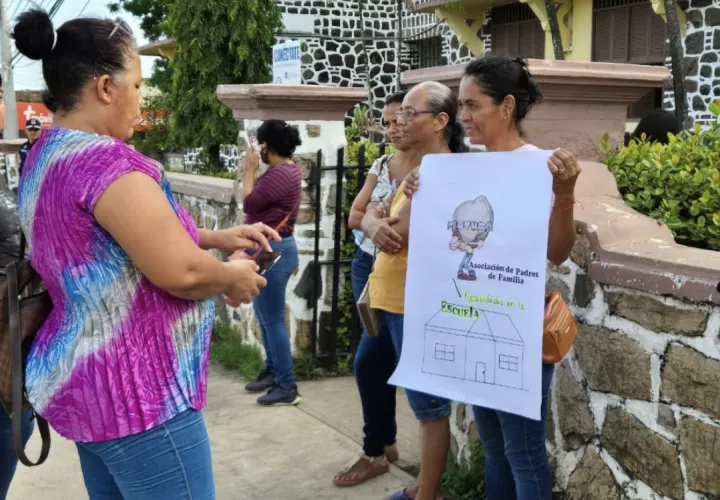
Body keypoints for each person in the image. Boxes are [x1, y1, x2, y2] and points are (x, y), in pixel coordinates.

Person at [12, 10, 277, 499]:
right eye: (137, 84)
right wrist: (230, 277)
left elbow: (110, 240)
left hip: (84, 386)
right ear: (106, 87)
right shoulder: (108, 163)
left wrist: (219, 238)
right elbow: (180, 272)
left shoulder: (45, 155)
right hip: (139, 395)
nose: (142, 98)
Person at [404, 56, 581, 500]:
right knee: (496, 449)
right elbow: (427, 240)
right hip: (471, 325)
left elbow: (557, 253)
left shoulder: (537, 167)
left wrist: (564, 195)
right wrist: (416, 198)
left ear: (506, 107)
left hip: (512, 327)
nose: (462, 117)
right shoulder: (462, 169)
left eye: (471, 105)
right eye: (460, 106)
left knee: (522, 451)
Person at [365, 81, 467, 500]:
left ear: (441, 121)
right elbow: (374, 214)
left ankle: (427, 494)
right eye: (400, 113)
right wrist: (373, 220)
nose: (401, 121)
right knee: (382, 377)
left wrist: (374, 221)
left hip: (415, 301)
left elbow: (395, 231)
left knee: (429, 407)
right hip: (391, 298)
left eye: (411, 113)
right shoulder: (418, 171)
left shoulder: (445, 172)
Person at [333, 91, 420, 487]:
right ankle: (383, 445)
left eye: (400, 118)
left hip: (405, 274)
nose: (392, 128)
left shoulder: (437, 168)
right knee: (375, 359)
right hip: (366, 266)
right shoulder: (383, 163)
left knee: (370, 361)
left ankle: (376, 449)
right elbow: (353, 214)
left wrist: (373, 219)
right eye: (386, 122)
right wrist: (370, 223)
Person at [241, 120, 302, 406]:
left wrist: (250, 169)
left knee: (273, 319)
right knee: (265, 316)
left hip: (274, 250)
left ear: (266, 146)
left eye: (259, 146)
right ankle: (273, 370)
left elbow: (249, 203)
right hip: (269, 249)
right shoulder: (282, 171)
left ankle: (287, 385)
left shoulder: (281, 174)